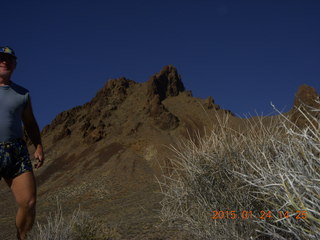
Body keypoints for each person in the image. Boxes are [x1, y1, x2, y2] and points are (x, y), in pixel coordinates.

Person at [0, 46, 44, 240]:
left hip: (16, 151)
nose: (4, 62)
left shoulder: (22, 94)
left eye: (9, 59)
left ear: (15, 65)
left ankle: (21, 237)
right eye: (0, 58)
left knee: (29, 202)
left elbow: (30, 123)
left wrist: (39, 147)